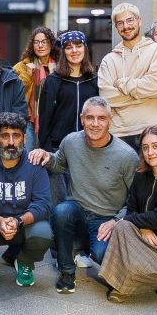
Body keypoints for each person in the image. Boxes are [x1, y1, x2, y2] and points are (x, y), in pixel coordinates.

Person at [28, 97, 140, 293]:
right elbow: (59, 163)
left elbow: (137, 199)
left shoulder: (127, 156)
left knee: (100, 254)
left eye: (101, 118)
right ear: (82, 119)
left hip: (106, 220)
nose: (95, 124)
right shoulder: (71, 141)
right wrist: (46, 156)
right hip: (77, 211)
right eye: (90, 118)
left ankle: (92, 252)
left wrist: (116, 221)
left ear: (109, 121)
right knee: (62, 211)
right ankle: (66, 272)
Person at [99, 126, 157, 303]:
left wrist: (134, 223)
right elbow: (132, 209)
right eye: (145, 147)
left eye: (155, 146)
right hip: (146, 241)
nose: (150, 152)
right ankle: (123, 284)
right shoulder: (141, 176)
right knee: (122, 227)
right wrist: (143, 229)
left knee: (123, 224)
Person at [0, 112, 52, 288]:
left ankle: (25, 262)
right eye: (5, 136)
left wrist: (19, 221)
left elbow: (43, 204)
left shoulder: (34, 164)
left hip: (24, 223)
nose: (11, 142)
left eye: (16, 136)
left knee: (44, 231)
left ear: (24, 138)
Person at [98, 3, 157, 153]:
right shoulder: (109, 60)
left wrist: (124, 85)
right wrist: (144, 94)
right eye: (120, 23)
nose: (126, 26)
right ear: (116, 27)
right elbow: (107, 97)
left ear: (139, 21)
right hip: (120, 132)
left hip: (156, 128)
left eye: (130, 20)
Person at [37, 30, 98, 206]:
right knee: (60, 205)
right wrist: (47, 151)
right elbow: (45, 119)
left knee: (86, 203)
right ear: (63, 52)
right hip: (59, 151)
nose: (74, 51)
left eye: (78, 46)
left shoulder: (94, 80)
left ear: (85, 49)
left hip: (89, 151)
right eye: (69, 47)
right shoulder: (53, 81)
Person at [13, 26, 58, 151]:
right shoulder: (22, 66)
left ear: (51, 44)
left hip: (53, 119)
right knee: (28, 157)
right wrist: (27, 75)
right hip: (29, 120)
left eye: (44, 42)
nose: (40, 46)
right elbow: (14, 93)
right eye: (36, 42)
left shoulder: (60, 67)